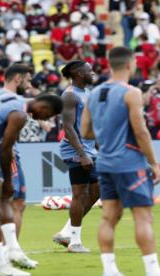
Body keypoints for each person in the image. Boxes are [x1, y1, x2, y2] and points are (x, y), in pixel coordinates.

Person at [80, 46, 160, 276]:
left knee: (109, 217)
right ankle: (153, 270)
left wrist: (108, 134)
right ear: (131, 64)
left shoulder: (94, 93)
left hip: (105, 163)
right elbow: (141, 132)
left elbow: (85, 131)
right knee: (143, 216)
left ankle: (109, 270)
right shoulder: (131, 92)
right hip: (130, 163)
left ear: (110, 64)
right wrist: (154, 163)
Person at [0, 64, 63, 275]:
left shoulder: (5, 96)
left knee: (2, 204)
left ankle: (10, 255)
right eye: (47, 114)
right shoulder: (19, 114)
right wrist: (7, 181)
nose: (44, 119)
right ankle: (0, 267)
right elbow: (6, 149)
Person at [53, 60, 100, 253]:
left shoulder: (86, 93)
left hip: (89, 149)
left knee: (96, 192)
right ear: (79, 73)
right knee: (79, 195)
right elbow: (68, 127)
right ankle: (75, 243)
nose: (93, 72)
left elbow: (88, 126)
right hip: (76, 151)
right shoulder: (70, 95)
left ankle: (66, 232)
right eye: (89, 70)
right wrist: (81, 154)